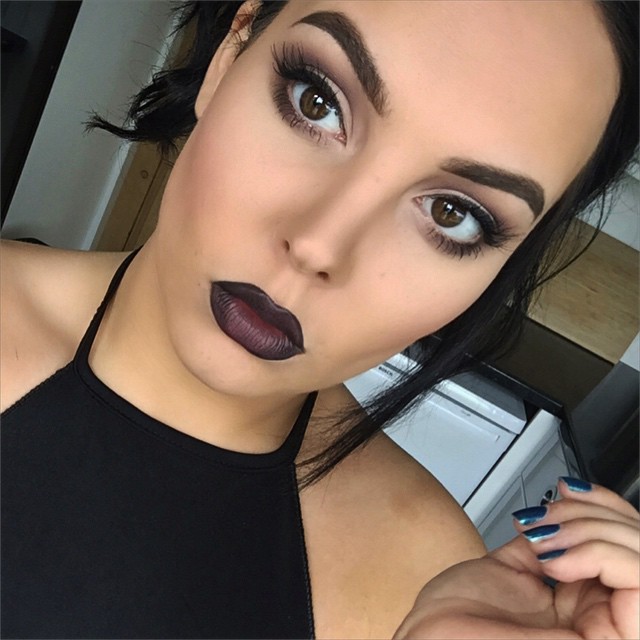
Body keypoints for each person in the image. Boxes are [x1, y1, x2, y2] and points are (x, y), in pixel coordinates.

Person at [1, 1, 638, 638]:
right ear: (230, 53)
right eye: (317, 102)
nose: (318, 247)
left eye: (453, 213)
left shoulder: (423, 587)